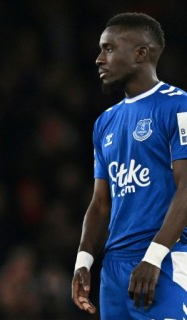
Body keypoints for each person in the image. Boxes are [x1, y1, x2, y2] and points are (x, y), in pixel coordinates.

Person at [71, 12, 187, 319]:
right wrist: (84, 261)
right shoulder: (105, 123)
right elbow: (100, 204)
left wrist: (154, 256)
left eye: (109, 48)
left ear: (141, 53)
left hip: (164, 259)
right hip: (114, 270)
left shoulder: (179, 106)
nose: (98, 58)